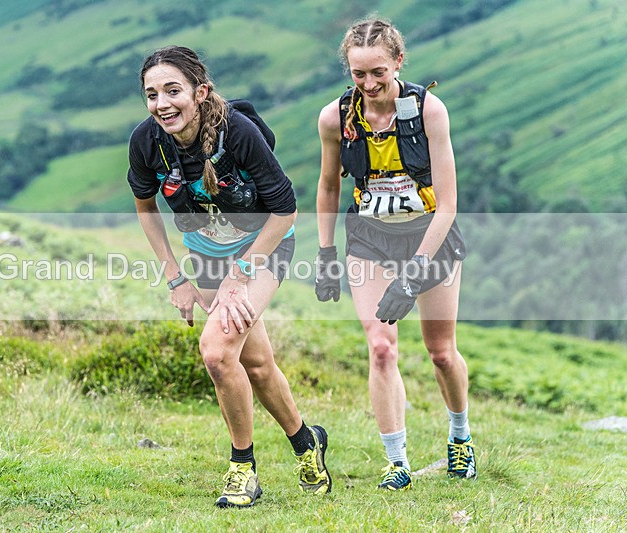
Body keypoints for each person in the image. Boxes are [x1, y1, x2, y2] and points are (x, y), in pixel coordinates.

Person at [127, 45, 331, 507]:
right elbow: (145, 207)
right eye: (152, 94)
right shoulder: (146, 141)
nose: (162, 104)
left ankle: (243, 468)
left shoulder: (237, 133)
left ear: (200, 92)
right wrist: (176, 277)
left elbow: (285, 209)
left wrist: (241, 273)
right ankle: (307, 444)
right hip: (207, 253)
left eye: (173, 91)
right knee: (254, 363)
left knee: (218, 354)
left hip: (264, 246)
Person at [314, 17, 476, 491]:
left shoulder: (429, 112)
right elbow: (328, 187)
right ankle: (396, 462)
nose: (368, 84)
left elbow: (448, 204)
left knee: (441, 353)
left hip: (430, 235)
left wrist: (413, 275)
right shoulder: (335, 119)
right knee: (381, 347)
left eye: (378, 72)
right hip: (370, 237)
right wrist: (326, 253)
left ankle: (460, 436)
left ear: (399, 62)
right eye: (358, 74)